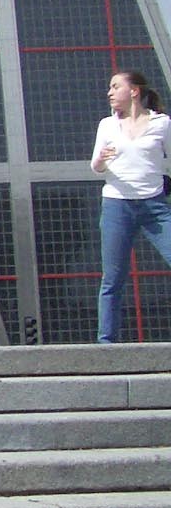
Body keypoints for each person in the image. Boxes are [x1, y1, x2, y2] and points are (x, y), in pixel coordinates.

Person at [89, 69, 171, 343]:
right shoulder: (107, 125)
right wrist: (101, 158)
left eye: (115, 87)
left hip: (154, 207)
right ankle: (106, 343)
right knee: (113, 278)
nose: (109, 93)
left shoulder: (162, 124)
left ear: (134, 91)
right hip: (117, 207)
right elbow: (96, 167)